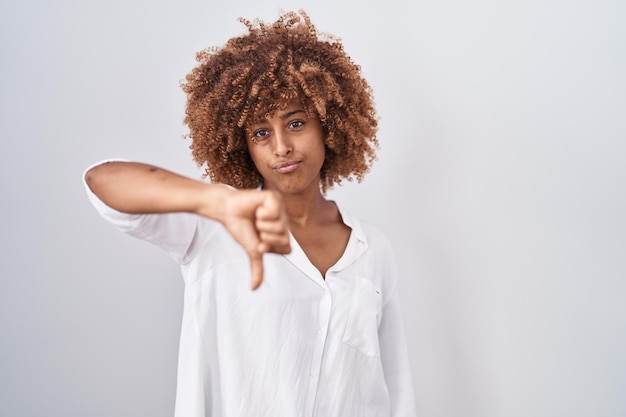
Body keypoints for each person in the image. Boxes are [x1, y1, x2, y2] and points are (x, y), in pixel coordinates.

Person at [84, 10, 416, 417]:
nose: (281, 147)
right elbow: (104, 181)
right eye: (261, 133)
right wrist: (215, 202)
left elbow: (394, 391)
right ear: (243, 145)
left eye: (296, 123)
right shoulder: (212, 227)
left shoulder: (372, 249)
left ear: (329, 124)